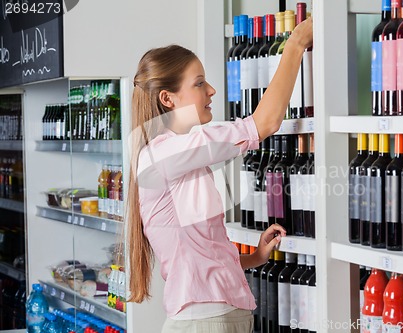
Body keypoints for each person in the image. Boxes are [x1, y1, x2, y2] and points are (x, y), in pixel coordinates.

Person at [126, 16, 313, 333]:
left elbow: (200, 258)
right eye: (199, 83)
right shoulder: (166, 153)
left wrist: (254, 258)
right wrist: (296, 43)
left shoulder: (179, 156)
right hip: (204, 323)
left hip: (212, 318)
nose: (211, 90)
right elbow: (264, 123)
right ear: (168, 99)